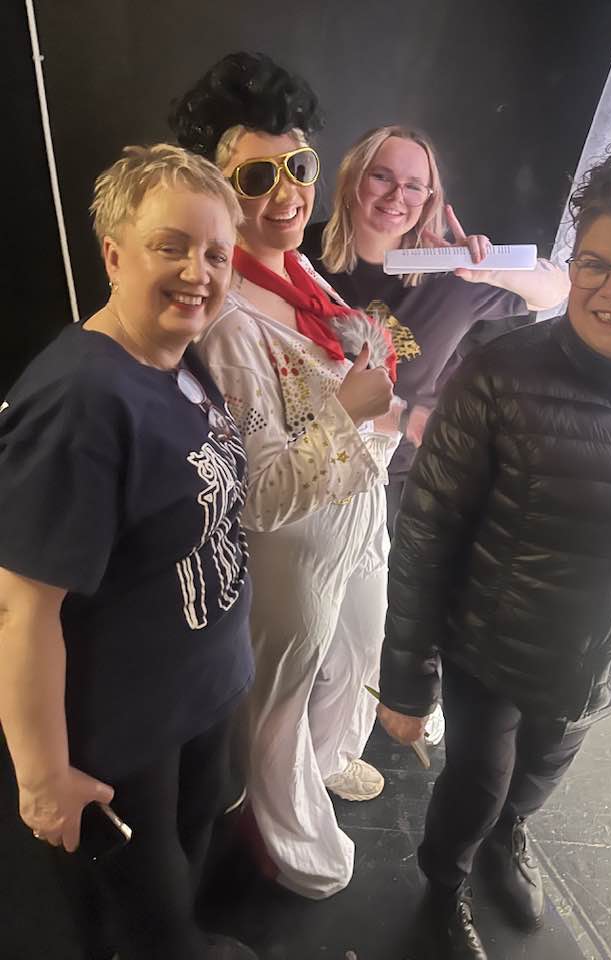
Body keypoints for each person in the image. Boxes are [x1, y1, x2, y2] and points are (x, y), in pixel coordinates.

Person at [377, 144, 611, 959]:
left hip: (607, 662)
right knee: (476, 784)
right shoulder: (498, 377)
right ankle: (444, 885)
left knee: (537, 779)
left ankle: (510, 838)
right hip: (489, 650)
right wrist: (406, 679)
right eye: (594, 264)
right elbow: (426, 532)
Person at [0, 144, 258, 960]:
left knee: (187, 880)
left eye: (215, 253)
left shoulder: (179, 357)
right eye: (170, 246)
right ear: (114, 256)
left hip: (196, 702)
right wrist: (44, 780)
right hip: (124, 739)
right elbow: (22, 610)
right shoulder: (79, 401)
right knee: (152, 929)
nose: (197, 272)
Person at [170, 52, 398, 900]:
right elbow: (257, 495)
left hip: (357, 503)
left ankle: (327, 762)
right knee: (279, 700)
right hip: (293, 540)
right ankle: (285, 842)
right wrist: (350, 407)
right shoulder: (229, 319)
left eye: (297, 165)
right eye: (256, 177)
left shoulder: (296, 268)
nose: (289, 192)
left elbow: (330, 380)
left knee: (360, 650)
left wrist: (362, 384)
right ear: (218, 191)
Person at [302, 124, 571, 536]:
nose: (397, 196)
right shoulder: (301, 254)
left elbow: (554, 291)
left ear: (429, 198)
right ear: (353, 178)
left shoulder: (449, 268)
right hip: (311, 459)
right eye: (382, 177)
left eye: (414, 186)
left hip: (404, 480)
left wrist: (487, 268)